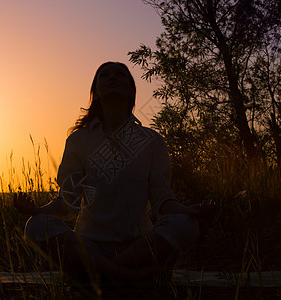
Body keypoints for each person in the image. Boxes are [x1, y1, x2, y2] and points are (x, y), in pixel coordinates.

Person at [14, 62, 208, 282]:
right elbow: (68, 203)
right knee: (37, 226)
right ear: (95, 92)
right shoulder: (79, 140)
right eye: (104, 75)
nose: (112, 77)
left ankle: (101, 271)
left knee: (186, 224)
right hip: (89, 244)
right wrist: (36, 211)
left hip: (139, 245)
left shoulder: (152, 141)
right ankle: (126, 274)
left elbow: (162, 201)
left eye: (120, 75)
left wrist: (188, 209)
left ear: (131, 91)